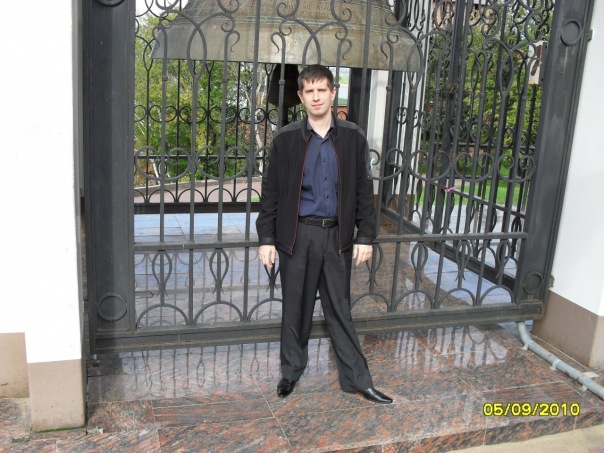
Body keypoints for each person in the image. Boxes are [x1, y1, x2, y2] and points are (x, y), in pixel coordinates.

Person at [256, 64, 392, 404]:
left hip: (337, 238)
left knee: (339, 309)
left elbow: (364, 190)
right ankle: (291, 371)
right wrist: (266, 239)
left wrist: (365, 237)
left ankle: (357, 380)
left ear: (333, 93)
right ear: (301, 96)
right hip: (297, 236)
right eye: (309, 91)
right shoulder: (286, 139)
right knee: (295, 309)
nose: (316, 97)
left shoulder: (353, 137)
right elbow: (271, 193)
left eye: (322, 90)